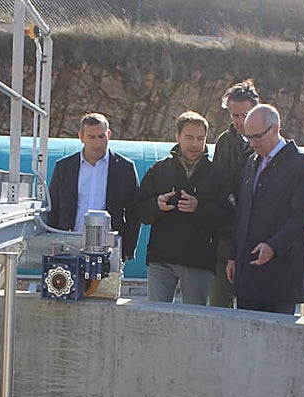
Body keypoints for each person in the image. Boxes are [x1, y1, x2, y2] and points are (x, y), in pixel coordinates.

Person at [134, 111, 232, 305]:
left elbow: (228, 219)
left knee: (195, 322)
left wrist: (199, 207)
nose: (195, 144)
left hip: (198, 262)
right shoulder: (159, 170)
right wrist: (157, 205)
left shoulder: (218, 175)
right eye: (189, 138)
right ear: (177, 137)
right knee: (157, 318)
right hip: (161, 259)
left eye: (200, 138)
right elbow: (139, 210)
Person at [226, 103, 304, 313]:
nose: (252, 143)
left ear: (275, 129)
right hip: (248, 274)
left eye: (257, 137)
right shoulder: (251, 162)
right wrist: (234, 256)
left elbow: (298, 218)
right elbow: (242, 214)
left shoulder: (300, 165)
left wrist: (273, 247)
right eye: (249, 138)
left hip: (281, 278)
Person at [46, 112, 140, 260]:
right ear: (81, 137)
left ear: (108, 135)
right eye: (91, 137)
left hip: (109, 250)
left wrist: (126, 249)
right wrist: (53, 244)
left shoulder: (124, 168)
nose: (97, 143)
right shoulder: (64, 167)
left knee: (105, 284)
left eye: (101, 136)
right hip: (69, 247)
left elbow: (134, 212)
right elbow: (53, 208)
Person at [208, 79, 259, 308]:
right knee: (220, 303)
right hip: (227, 232)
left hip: (257, 233)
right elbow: (217, 183)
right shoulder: (224, 142)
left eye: (244, 115)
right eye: (234, 115)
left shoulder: (268, 143)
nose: (239, 121)